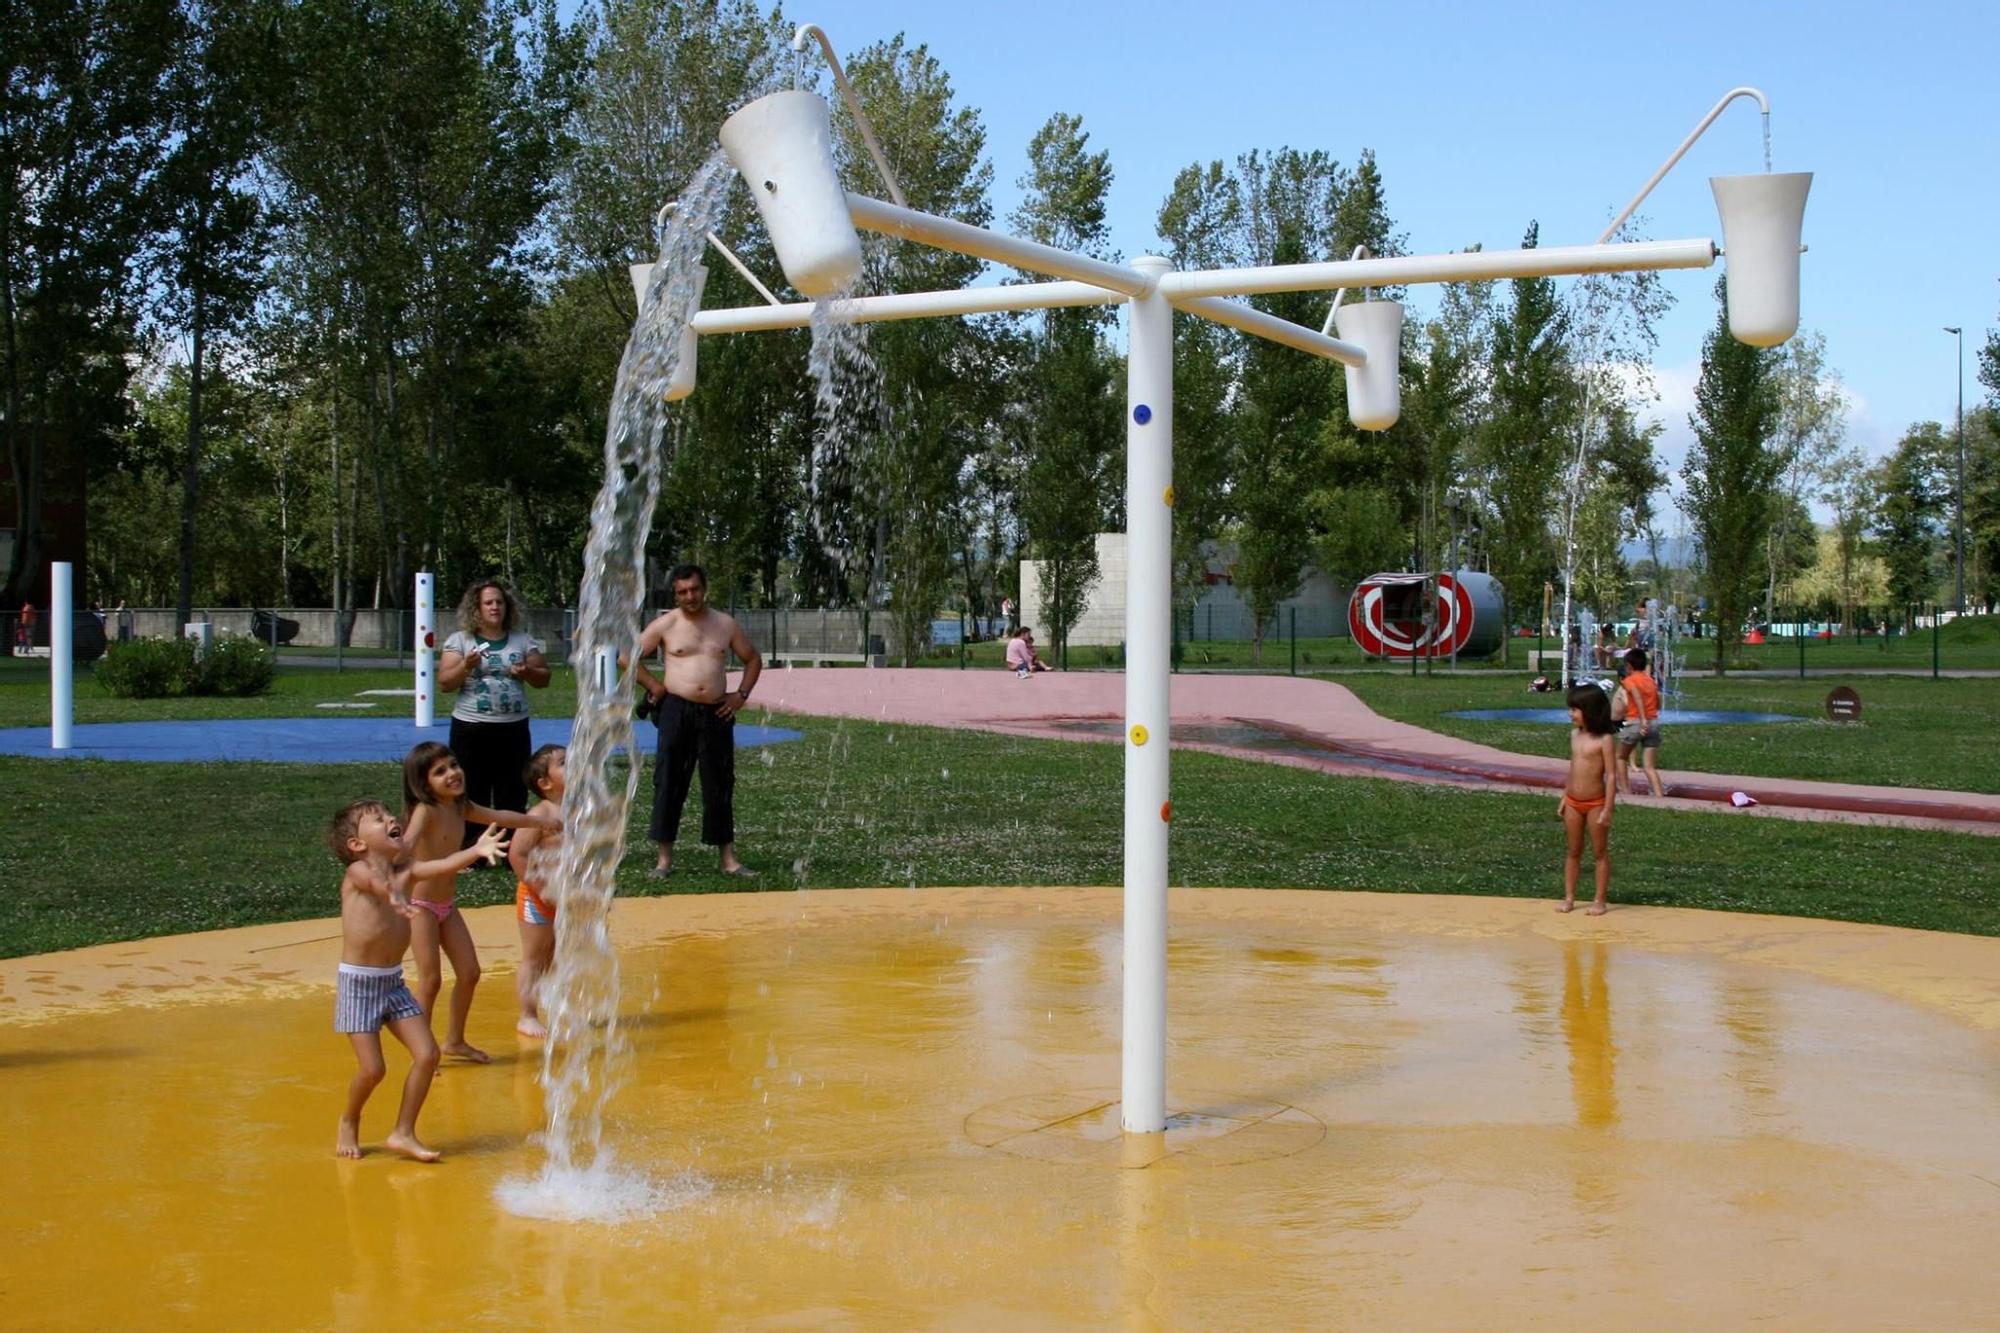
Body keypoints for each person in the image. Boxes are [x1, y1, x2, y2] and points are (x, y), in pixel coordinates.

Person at [328, 796, 508, 1161]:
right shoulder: (357, 873)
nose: (390, 819)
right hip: (359, 985)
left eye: (388, 815)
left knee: (427, 1055)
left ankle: (403, 1132)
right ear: (357, 845)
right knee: (373, 1069)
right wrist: (394, 897)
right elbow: (377, 885)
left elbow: (442, 864)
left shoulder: (407, 871)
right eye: (378, 820)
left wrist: (476, 849)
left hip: (392, 983)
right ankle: (350, 1118)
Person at [398, 740, 541, 1063]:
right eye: (440, 771)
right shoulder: (425, 810)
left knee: (469, 972)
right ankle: (421, 1053)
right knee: (430, 980)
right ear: (423, 784)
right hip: (419, 908)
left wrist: (537, 822)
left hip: (446, 907)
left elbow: (500, 815)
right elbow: (406, 844)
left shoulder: (460, 807)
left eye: (453, 765)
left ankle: (454, 1041)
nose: (452, 773)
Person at [631, 563, 763, 878]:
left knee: (719, 782)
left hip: (716, 710)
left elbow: (752, 659)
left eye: (694, 589)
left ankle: (728, 859)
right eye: (682, 592)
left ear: (704, 589)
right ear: (675, 594)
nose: (690, 596)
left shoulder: (725, 624)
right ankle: (664, 859)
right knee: (669, 779)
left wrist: (740, 695)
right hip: (676, 708)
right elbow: (628, 657)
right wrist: (653, 685)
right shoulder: (665, 624)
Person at [437, 580, 550, 850]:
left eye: (499, 602)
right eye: (488, 602)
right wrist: (466, 666)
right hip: (471, 728)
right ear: (476, 608)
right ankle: (471, 849)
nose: (495, 607)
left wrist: (527, 672)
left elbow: (544, 678)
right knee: (470, 790)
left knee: (512, 789)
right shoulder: (460, 641)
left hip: (512, 728)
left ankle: (512, 847)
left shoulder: (522, 640)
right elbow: (444, 683)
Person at [508, 744, 567, 1039]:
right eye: (565, 763)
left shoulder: (581, 807)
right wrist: (541, 890)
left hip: (567, 897)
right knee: (534, 956)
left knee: (558, 954)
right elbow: (517, 854)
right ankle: (527, 1015)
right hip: (537, 897)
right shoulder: (540, 813)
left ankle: (558, 1005)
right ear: (545, 782)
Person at [1556, 682, 1617, 916]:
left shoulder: (1604, 740)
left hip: (1596, 803)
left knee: (1599, 852)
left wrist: (1608, 808)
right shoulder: (1574, 735)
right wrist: (1564, 796)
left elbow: (1611, 776)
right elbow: (1573, 769)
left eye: (1575, 709)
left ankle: (1599, 900)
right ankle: (1569, 897)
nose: (1570, 714)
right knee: (1573, 850)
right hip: (1573, 801)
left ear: (1590, 710)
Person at [1614, 647, 1664, 797]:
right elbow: (1657, 699)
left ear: (1628, 666)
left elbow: (1636, 696)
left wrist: (1642, 719)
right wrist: (1653, 714)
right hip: (1653, 723)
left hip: (1636, 723)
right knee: (1649, 766)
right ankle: (1659, 794)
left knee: (1620, 757)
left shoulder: (1629, 680)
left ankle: (1626, 791)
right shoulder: (1650, 681)